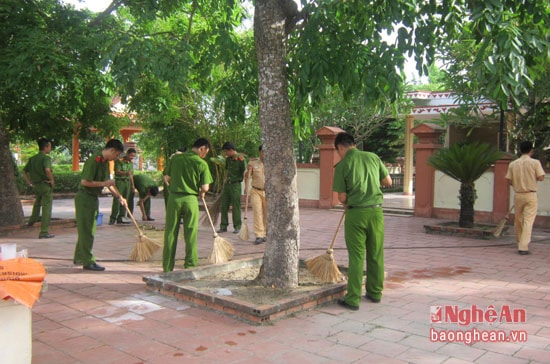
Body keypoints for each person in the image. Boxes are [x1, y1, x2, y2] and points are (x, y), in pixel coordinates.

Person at [332, 132, 392, 310]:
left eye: (338, 151)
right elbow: (388, 181)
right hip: (376, 212)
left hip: (356, 214)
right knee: (375, 253)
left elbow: (342, 197)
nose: (339, 154)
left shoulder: (343, 165)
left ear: (341, 147)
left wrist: (352, 197)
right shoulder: (373, 157)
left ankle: (353, 299)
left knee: (357, 256)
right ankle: (375, 293)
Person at [74, 139, 125, 271]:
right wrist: (103, 184)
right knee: (88, 231)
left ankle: (80, 256)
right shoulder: (94, 160)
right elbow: (85, 182)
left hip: (92, 198)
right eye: (116, 155)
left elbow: (109, 183)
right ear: (112, 150)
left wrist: (120, 197)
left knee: (87, 229)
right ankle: (88, 261)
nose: (116, 158)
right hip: (85, 198)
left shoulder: (105, 163)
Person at [163, 138, 213, 272]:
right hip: (191, 199)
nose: (205, 155)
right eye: (206, 152)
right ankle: (190, 265)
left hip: (174, 199)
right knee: (190, 233)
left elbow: (166, 178)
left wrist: (176, 183)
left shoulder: (175, 159)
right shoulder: (201, 163)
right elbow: (205, 187)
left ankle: (167, 267)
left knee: (170, 233)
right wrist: (201, 192)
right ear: (202, 148)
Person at [505, 141, 545, 255]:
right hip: (531, 194)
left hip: (518, 194)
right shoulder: (535, 163)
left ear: (520, 150)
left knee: (518, 220)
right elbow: (541, 177)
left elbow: (509, 181)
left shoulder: (513, 164)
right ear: (531, 150)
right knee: (528, 220)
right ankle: (523, 246)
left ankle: (519, 242)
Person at [23, 138, 55, 239]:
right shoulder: (46, 158)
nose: (50, 148)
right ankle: (44, 232)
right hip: (45, 185)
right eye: (49, 146)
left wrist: (29, 182)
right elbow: (47, 170)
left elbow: (24, 171)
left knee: (37, 204)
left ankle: (31, 222)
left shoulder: (33, 158)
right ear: (46, 147)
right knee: (46, 208)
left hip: (36, 185)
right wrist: (52, 180)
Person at [218, 142, 246, 234]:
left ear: (231, 150)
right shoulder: (228, 160)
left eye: (226, 151)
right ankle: (223, 226)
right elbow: (227, 171)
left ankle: (237, 226)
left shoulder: (240, 159)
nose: (226, 154)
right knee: (224, 205)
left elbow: (244, 172)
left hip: (235, 185)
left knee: (236, 206)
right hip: (227, 185)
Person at [244, 145, 267, 244]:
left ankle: (265, 233)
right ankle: (259, 235)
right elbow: (246, 177)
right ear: (259, 152)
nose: (264, 154)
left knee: (267, 213)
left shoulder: (272, 164)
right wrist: (246, 187)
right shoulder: (252, 163)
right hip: (255, 191)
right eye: (263, 151)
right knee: (257, 212)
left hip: (268, 192)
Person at [108, 148, 136, 225]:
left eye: (133, 156)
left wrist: (133, 186)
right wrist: (126, 173)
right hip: (120, 182)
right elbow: (117, 171)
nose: (132, 157)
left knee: (125, 200)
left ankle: (121, 217)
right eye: (131, 155)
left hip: (128, 183)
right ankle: (113, 218)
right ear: (127, 154)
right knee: (117, 200)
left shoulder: (130, 163)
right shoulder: (119, 161)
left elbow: (131, 175)